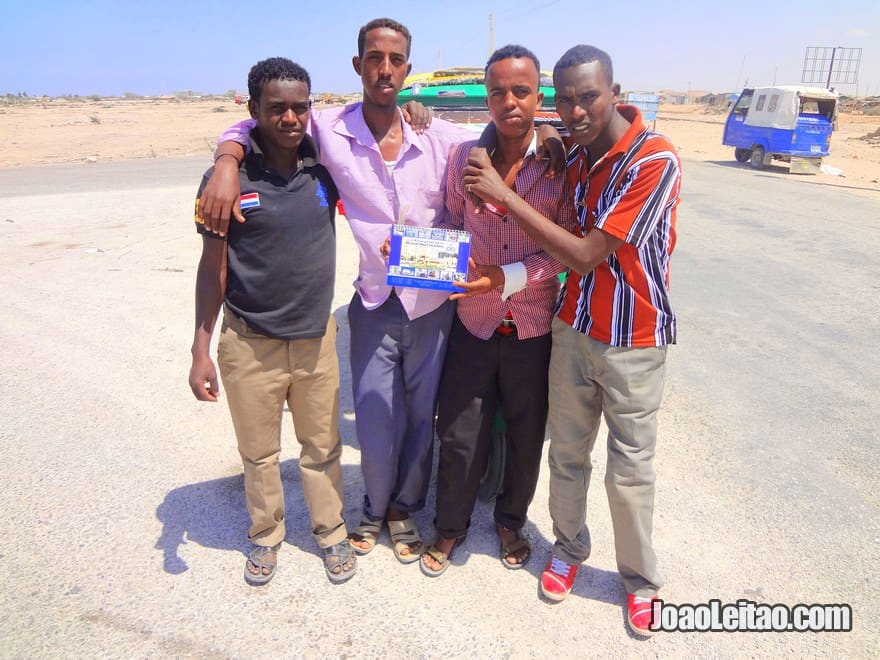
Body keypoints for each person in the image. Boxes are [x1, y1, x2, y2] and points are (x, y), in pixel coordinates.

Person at [197, 18, 474, 564]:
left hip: (432, 303)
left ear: (408, 70)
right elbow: (253, 119)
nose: (385, 68)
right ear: (358, 66)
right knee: (373, 410)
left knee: (422, 415)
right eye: (375, 58)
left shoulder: (435, 134)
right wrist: (227, 161)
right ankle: (373, 505)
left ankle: (404, 508)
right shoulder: (329, 129)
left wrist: (553, 135)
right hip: (372, 300)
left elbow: (499, 136)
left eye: (396, 60)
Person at [462, 44, 681, 636]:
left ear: (615, 92)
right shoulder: (574, 153)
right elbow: (519, 127)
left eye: (588, 96)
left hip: (633, 339)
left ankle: (638, 580)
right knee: (567, 455)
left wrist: (503, 195)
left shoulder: (652, 160)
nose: (576, 109)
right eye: (566, 99)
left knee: (629, 469)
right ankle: (569, 547)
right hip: (571, 329)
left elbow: (583, 256)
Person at [188, 57, 357, 585]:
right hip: (249, 343)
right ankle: (266, 536)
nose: (290, 118)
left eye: (299, 107)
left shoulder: (324, 164)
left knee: (322, 448)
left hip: (315, 341)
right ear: (254, 109)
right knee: (259, 453)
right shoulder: (223, 180)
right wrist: (200, 347)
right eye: (276, 108)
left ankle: (330, 532)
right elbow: (211, 269)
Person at [416, 45, 576, 577]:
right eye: (498, 92)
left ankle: (511, 519)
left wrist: (504, 279)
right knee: (460, 432)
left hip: (532, 325)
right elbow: (453, 224)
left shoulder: (558, 165)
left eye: (521, 91)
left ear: (539, 96)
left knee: (528, 433)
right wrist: (420, 256)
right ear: (486, 97)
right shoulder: (466, 160)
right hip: (475, 322)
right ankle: (450, 526)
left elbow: (564, 250)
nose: (509, 101)